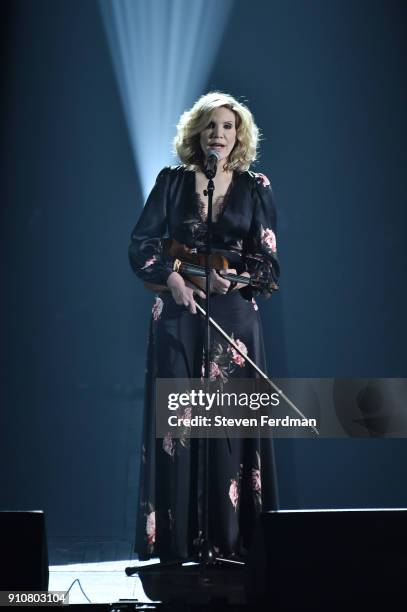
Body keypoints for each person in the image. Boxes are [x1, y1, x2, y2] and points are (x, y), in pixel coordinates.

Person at [128, 92, 280, 561]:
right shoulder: (171, 182)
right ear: (197, 132)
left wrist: (230, 278)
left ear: (240, 136)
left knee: (227, 431)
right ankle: (177, 544)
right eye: (211, 126)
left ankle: (232, 543)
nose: (219, 134)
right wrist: (173, 277)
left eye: (228, 127)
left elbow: (269, 267)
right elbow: (142, 244)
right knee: (181, 428)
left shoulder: (256, 187)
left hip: (232, 319)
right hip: (177, 313)